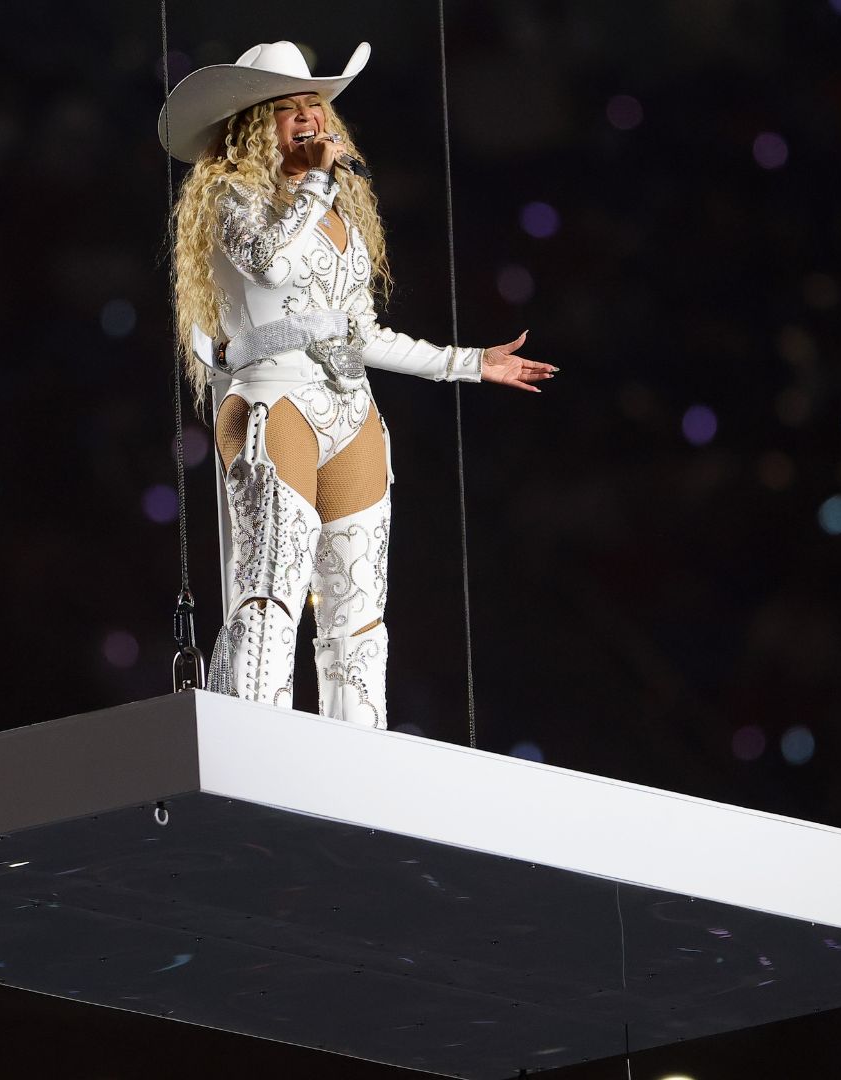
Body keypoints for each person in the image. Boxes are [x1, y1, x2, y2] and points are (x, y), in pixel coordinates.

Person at [160, 40, 552, 729]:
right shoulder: (231, 197)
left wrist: (471, 363)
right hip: (271, 399)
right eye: (291, 108)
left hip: (351, 409)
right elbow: (271, 269)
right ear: (256, 122)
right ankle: (258, 752)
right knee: (271, 592)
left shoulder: (342, 214)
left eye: (317, 102)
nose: (311, 116)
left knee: (357, 611)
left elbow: (362, 333)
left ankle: (355, 765)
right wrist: (314, 183)